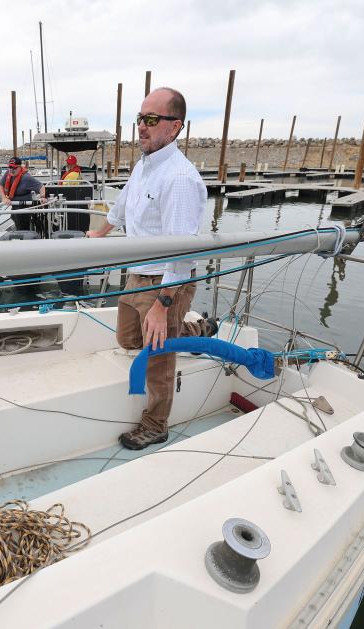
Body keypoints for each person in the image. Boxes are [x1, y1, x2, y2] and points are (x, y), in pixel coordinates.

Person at [87, 87, 214, 450]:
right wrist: (99, 234)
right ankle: (197, 328)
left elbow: (182, 254)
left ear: (175, 127)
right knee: (127, 339)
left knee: (158, 357)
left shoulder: (179, 179)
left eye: (151, 119)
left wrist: (163, 305)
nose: (142, 126)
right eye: (140, 118)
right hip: (137, 274)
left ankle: (156, 424)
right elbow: (122, 207)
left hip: (166, 281)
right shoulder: (144, 164)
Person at [0, 157, 46, 231]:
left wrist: (42, 197)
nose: (11, 169)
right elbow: (1, 185)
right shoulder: (8, 173)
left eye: (14, 168)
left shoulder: (26, 178)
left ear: (19, 167)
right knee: (17, 223)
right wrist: (4, 198)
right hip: (15, 207)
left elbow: (41, 186)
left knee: (23, 228)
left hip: (25, 208)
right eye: (10, 167)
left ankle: (24, 239)